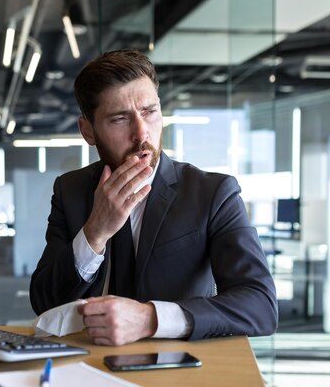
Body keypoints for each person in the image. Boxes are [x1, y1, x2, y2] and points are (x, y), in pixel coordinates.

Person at [30, 50, 277, 346]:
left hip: (181, 370)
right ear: (88, 131)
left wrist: (150, 319)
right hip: (88, 365)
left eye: (149, 111)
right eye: (120, 119)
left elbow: (260, 305)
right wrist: (95, 232)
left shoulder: (213, 193)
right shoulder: (69, 191)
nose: (141, 132)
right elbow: (44, 302)